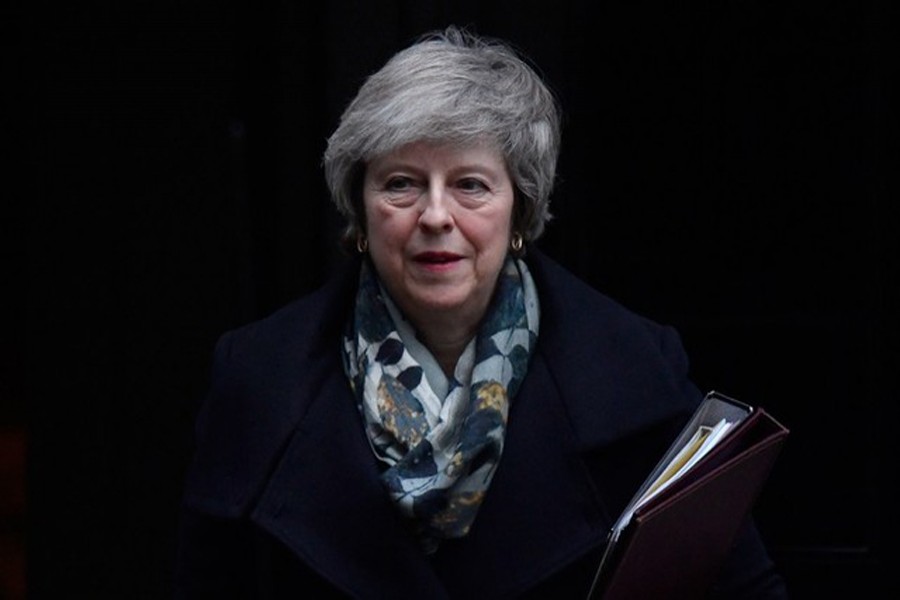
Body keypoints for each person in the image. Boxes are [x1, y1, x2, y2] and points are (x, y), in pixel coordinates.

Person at [174, 25, 788, 598]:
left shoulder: (637, 371)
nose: (436, 216)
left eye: (470, 184)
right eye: (401, 184)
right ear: (360, 215)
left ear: (519, 214)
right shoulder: (256, 376)